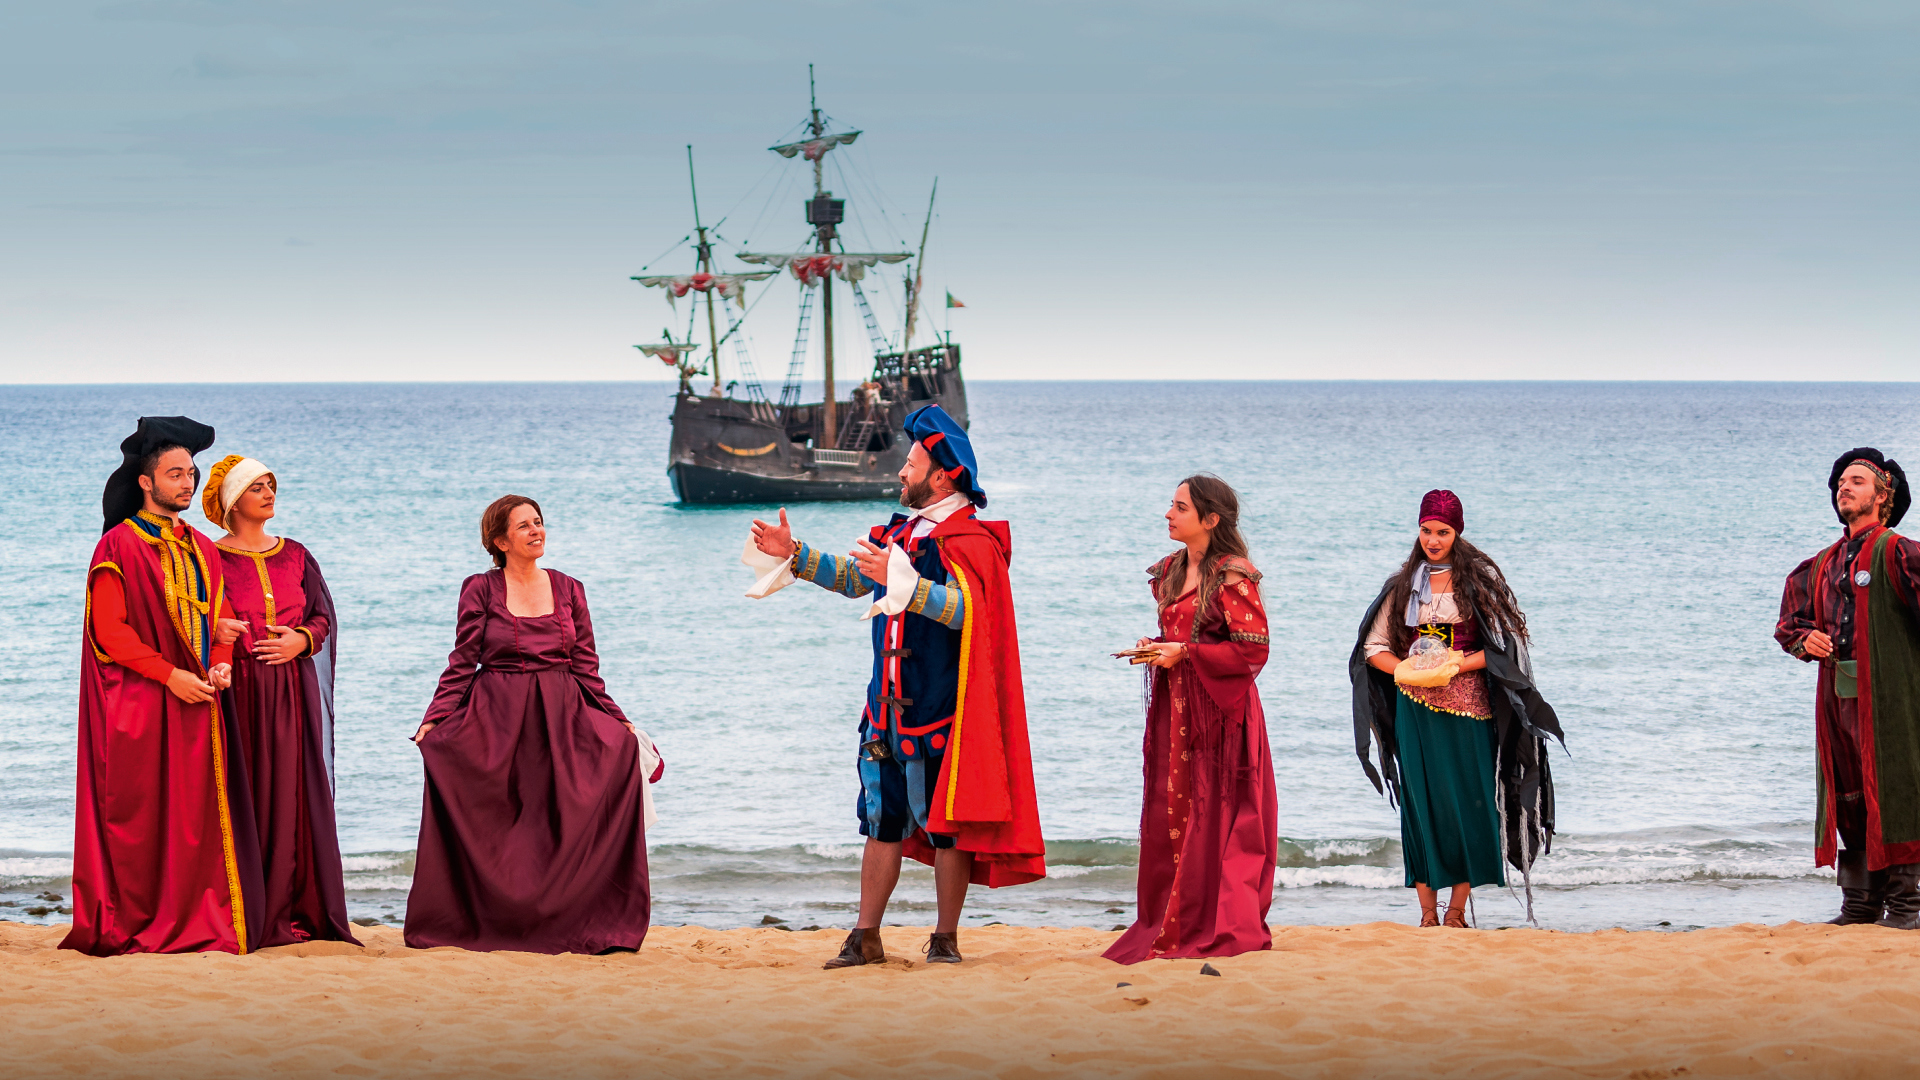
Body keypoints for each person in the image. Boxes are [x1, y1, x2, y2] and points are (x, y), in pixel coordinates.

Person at [745, 403, 1045, 968]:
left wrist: (905, 584)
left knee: (948, 829)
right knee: (879, 823)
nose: (901, 472)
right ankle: (866, 937)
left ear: (943, 477)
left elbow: (969, 614)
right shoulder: (899, 534)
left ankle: (945, 938)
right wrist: (795, 554)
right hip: (883, 712)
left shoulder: (972, 542)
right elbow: (853, 579)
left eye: (911, 464)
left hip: (941, 712)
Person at [405, 495, 664, 954]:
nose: (536, 531)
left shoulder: (569, 588)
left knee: (573, 807)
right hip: (498, 719)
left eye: (539, 522)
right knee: (509, 830)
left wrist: (617, 718)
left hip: (563, 718)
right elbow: (463, 661)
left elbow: (586, 666)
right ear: (501, 541)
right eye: (523, 526)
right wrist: (435, 718)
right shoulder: (480, 588)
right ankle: (495, 921)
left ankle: (578, 920)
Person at [64, 416, 263, 956]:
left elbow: (220, 618)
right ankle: (141, 920)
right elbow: (109, 633)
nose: (187, 482)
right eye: (175, 474)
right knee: (140, 816)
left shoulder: (202, 546)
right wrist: (171, 675)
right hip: (141, 702)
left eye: (191, 473)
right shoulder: (118, 546)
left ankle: (197, 920)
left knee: (195, 818)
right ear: (146, 482)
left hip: (197, 700)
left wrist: (220, 663)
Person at [1350, 490, 1562, 928]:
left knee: (1469, 803)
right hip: (1415, 712)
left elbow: (1503, 648)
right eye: (1426, 530)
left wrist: (1455, 665)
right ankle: (1427, 913)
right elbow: (1374, 646)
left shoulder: (1477, 585)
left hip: (1470, 710)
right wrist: (1405, 670)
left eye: (1442, 532)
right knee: (1421, 805)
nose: (1432, 540)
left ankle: (1457, 912)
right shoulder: (1401, 586)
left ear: (1457, 533)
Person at [1105, 475, 1278, 964]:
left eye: (1180, 507)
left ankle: (1216, 920)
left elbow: (1253, 651)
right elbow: (1180, 633)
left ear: (1211, 519)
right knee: (1173, 808)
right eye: (1171, 504)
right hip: (1175, 706)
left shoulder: (1233, 575)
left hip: (1220, 710)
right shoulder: (1171, 569)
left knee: (1217, 811)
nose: (1168, 513)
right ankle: (1171, 918)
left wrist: (1184, 652)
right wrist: (1156, 647)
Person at [203, 455, 358, 947]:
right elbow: (199, 620)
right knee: (246, 790)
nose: (269, 493)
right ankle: (246, 910)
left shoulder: (296, 554)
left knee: (292, 792)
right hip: (240, 693)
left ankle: (293, 906)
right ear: (233, 502)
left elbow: (322, 616)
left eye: (271, 484)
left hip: (292, 689)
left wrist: (301, 641)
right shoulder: (211, 558)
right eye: (257, 487)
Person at [1776, 448, 1920, 929]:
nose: (1844, 486)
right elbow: (1790, 624)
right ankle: (1860, 906)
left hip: (1894, 701)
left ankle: (1906, 907)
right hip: (1837, 700)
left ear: (1882, 496)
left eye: (1857, 480)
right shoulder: (1821, 564)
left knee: (1897, 790)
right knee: (1849, 795)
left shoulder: (1900, 552)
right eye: (1841, 481)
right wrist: (1805, 640)